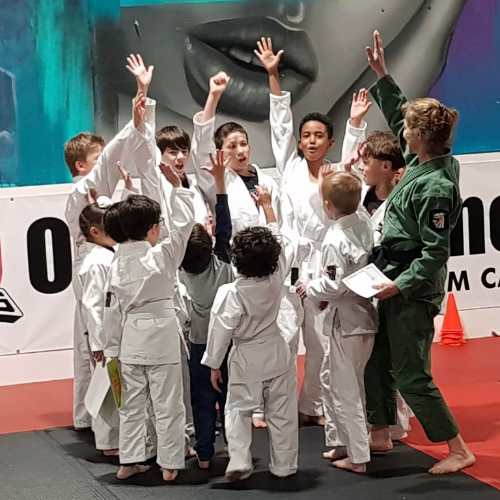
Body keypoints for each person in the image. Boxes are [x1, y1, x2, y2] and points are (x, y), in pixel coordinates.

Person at [363, 30, 475, 474]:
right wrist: (383, 76)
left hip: (414, 287)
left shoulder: (436, 186)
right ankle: (379, 431)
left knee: (411, 373)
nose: (401, 133)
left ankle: (458, 449)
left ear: (421, 137)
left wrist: (401, 285)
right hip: (392, 274)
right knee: (378, 361)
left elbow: (435, 253)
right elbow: (399, 115)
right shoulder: (423, 161)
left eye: (408, 129)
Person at [256, 37, 369, 426]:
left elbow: (354, 165)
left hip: (323, 265)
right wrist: (273, 74)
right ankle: (273, 404)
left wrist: (356, 123)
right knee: (284, 337)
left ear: (329, 141)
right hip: (290, 263)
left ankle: (311, 405)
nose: (311, 141)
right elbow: (279, 125)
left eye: (319, 136)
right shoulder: (289, 166)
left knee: (320, 342)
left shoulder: (337, 174)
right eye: (306, 136)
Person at [64, 91, 151, 431]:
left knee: (92, 351)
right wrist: (134, 124)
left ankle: (87, 418)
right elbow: (108, 165)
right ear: (81, 166)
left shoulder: (96, 193)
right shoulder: (80, 191)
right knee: (96, 351)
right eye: (97, 159)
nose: (104, 165)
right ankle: (100, 425)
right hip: (93, 275)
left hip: (102, 274)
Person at [103, 163, 196, 482]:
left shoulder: (116, 263)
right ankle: (169, 464)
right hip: (162, 335)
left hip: (130, 337)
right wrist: (178, 187)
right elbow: (184, 226)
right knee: (167, 403)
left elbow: (111, 311)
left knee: (131, 405)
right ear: (154, 228)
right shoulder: (162, 255)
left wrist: (111, 349)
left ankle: (129, 461)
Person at [202, 185, 298, 481]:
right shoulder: (276, 277)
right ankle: (284, 466)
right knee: (282, 414)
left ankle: (240, 460)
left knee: (238, 409)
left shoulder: (231, 293)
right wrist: (268, 208)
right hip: (277, 351)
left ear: (235, 260)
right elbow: (283, 243)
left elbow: (220, 329)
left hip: (246, 358)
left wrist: (214, 363)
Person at [297, 169, 376, 474]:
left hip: (347, 319)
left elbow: (333, 284)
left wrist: (310, 288)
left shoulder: (335, 238)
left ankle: (358, 456)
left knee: (346, 390)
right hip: (361, 314)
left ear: (327, 205)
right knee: (333, 380)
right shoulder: (363, 223)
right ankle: (342, 441)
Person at [179, 150, 234, 469]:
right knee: (229, 398)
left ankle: (203, 453)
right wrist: (220, 183)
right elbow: (224, 224)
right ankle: (234, 446)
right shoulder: (223, 263)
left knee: (201, 399)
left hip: (198, 345)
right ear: (212, 247)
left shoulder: (180, 273)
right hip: (226, 343)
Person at [190, 71, 281, 238]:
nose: (240, 151)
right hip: (233, 252)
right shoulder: (217, 180)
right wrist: (214, 96)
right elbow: (202, 144)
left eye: (243, 144)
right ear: (220, 153)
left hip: (270, 250)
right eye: (232, 146)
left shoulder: (267, 183)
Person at [78, 194, 119, 456]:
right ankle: (108, 442)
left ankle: (116, 440)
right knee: (107, 390)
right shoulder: (96, 262)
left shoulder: (108, 254)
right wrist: (98, 343)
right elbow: (92, 306)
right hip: (104, 338)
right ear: (95, 232)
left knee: (116, 388)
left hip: (112, 334)